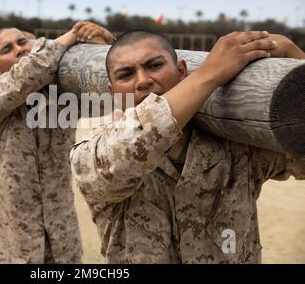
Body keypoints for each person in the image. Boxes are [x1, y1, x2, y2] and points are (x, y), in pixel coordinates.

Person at [70, 29, 305, 263]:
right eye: (126, 75)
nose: (142, 81)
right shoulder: (90, 153)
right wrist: (209, 74)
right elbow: (128, 152)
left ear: (181, 72)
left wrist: (294, 56)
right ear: (113, 93)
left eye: (154, 66)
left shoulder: (236, 147)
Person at [0, 21, 115, 263]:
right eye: (7, 49)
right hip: (13, 244)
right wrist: (73, 34)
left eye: (22, 42)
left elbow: (109, 98)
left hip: (62, 238)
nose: (19, 50)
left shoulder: (60, 97)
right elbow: (26, 74)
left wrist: (102, 48)